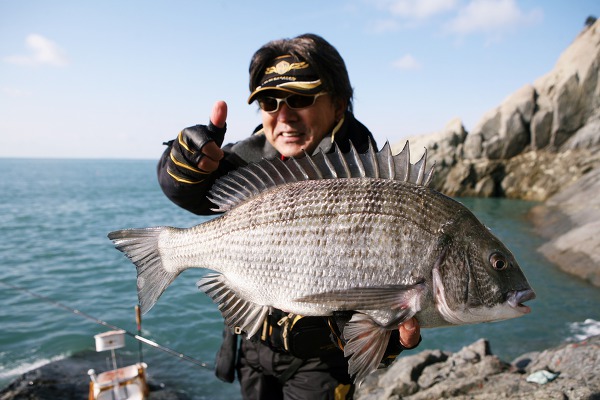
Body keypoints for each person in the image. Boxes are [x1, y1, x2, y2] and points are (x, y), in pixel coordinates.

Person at [157, 33, 421, 400]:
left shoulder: (369, 179)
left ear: (340, 105)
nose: (283, 116)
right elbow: (190, 191)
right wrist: (184, 161)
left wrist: (380, 332)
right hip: (251, 343)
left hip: (322, 362)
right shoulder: (246, 158)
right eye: (268, 102)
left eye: (300, 98)